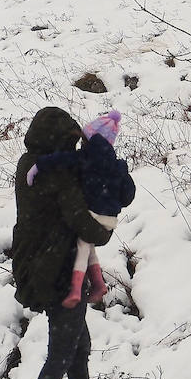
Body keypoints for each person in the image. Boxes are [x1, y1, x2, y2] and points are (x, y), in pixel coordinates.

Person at [10, 106, 131, 379]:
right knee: (63, 352)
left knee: (77, 348)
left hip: (36, 265)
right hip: (59, 270)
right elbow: (88, 226)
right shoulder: (57, 174)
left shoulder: (28, 163)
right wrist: (107, 219)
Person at [25, 110, 135, 310]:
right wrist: (115, 195)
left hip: (83, 224)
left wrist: (38, 166)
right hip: (106, 219)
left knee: (83, 247)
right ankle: (96, 283)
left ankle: (78, 288)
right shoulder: (117, 165)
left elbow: (61, 160)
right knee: (88, 245)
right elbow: (128, 195)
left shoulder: (82, 158)